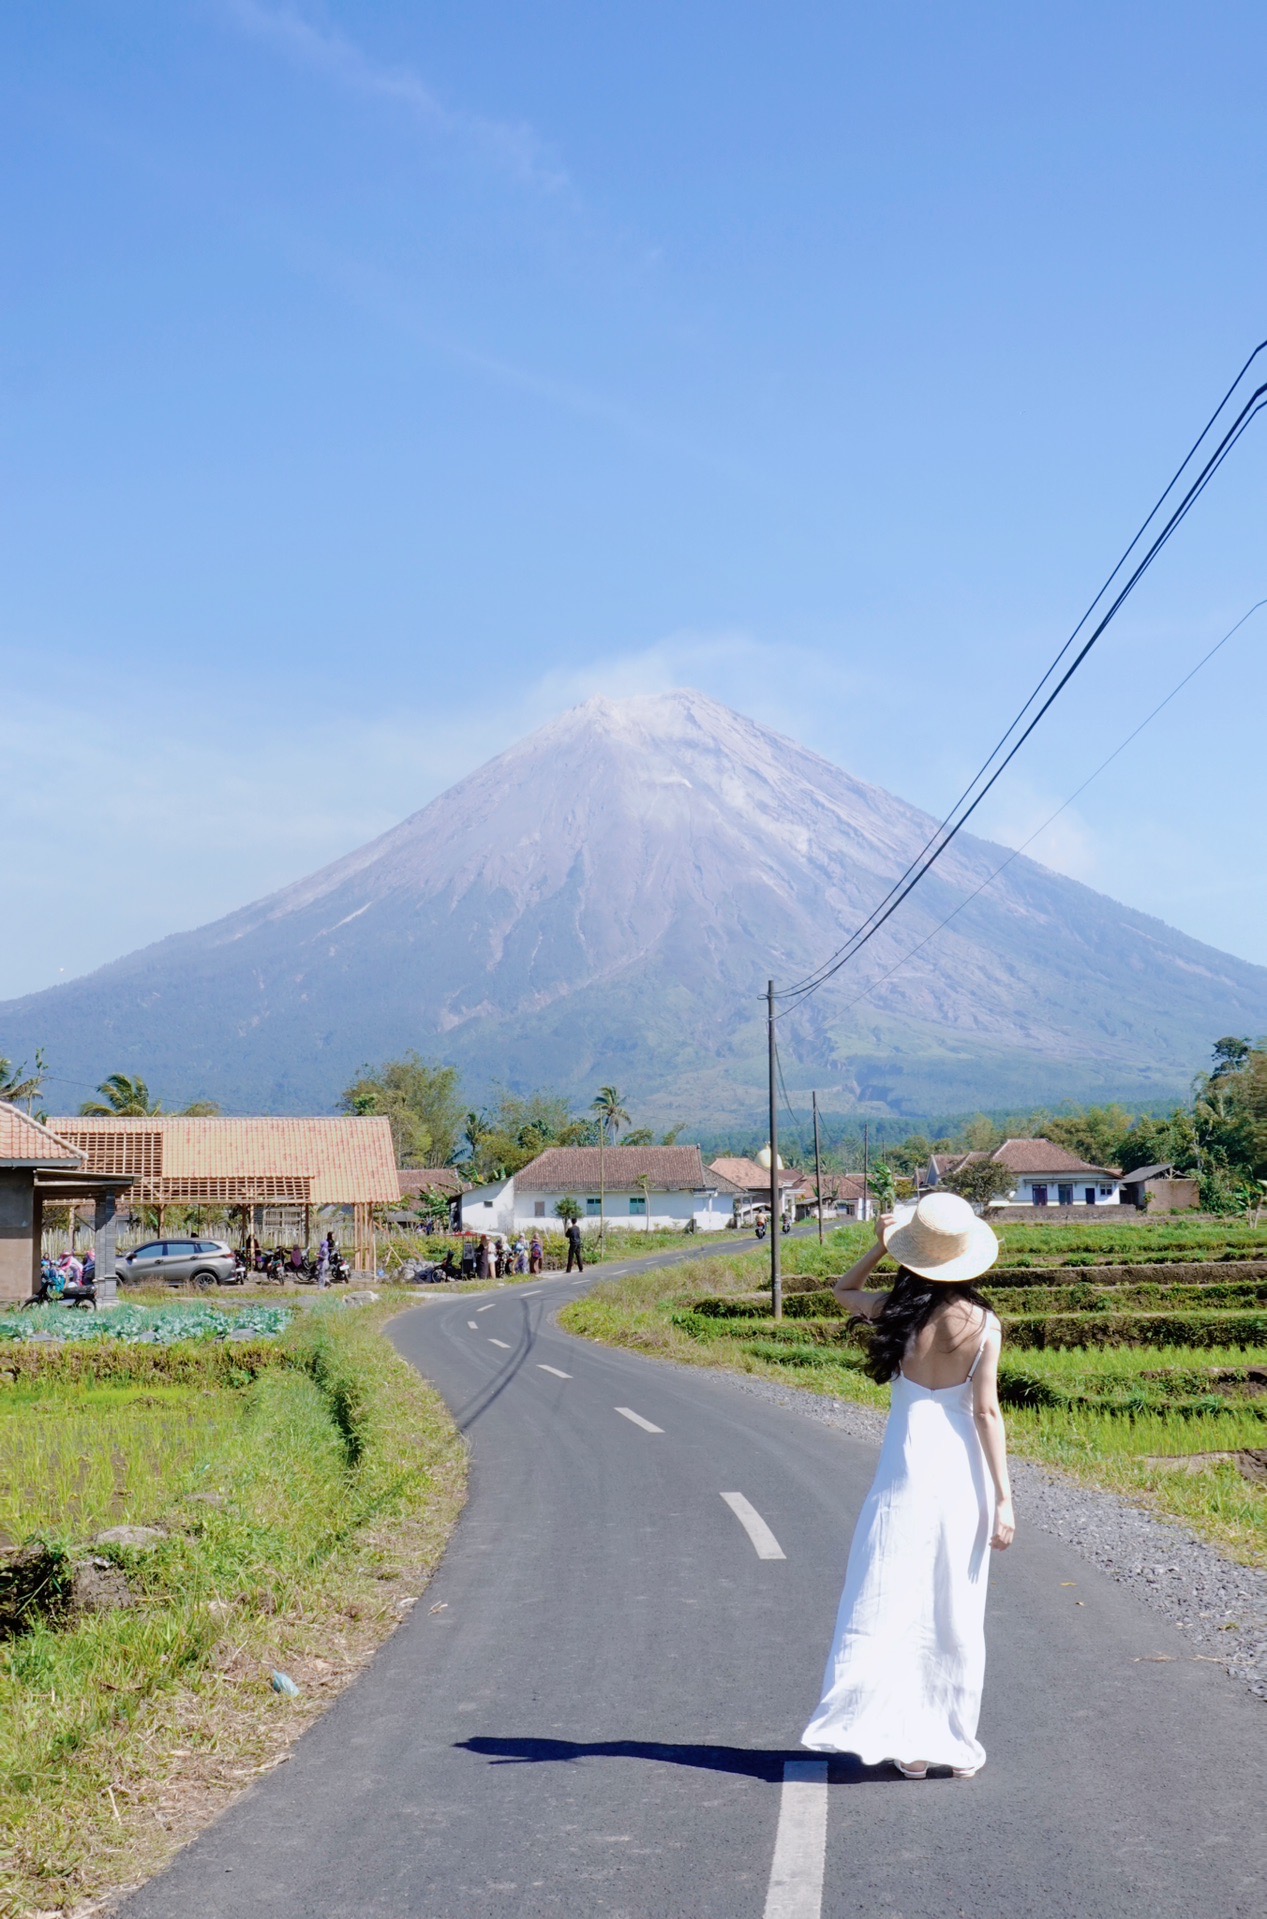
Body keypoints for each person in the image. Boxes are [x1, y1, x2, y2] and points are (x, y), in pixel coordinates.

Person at [801, 1191, 1014, 1780]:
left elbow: (842, 1292)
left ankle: (910, 1748)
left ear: (914, 1255)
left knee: (890, 1600)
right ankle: (952, 1741)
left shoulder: (895, 1313)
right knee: (954, 1608)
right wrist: (1004, 1498)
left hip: (904, 1474)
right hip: (962, 1475)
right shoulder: (985, 1324)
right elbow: (986, 1413)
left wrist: (877, 1245)